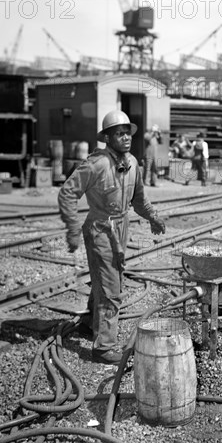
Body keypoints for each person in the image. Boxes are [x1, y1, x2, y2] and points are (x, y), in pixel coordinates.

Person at [58, 110, 166, 365]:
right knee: (111, 289)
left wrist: (153, 216)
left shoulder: (133, 164)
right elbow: (67, 193)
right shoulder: (96, 164)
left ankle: (89, 323)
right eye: (119, 133)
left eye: (128, 132)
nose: (126, 137)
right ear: (107, 137)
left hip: (121, 226)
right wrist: (72, 228)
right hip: (99, 228)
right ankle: (103, 347)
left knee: (111, 277)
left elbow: (139, 199)